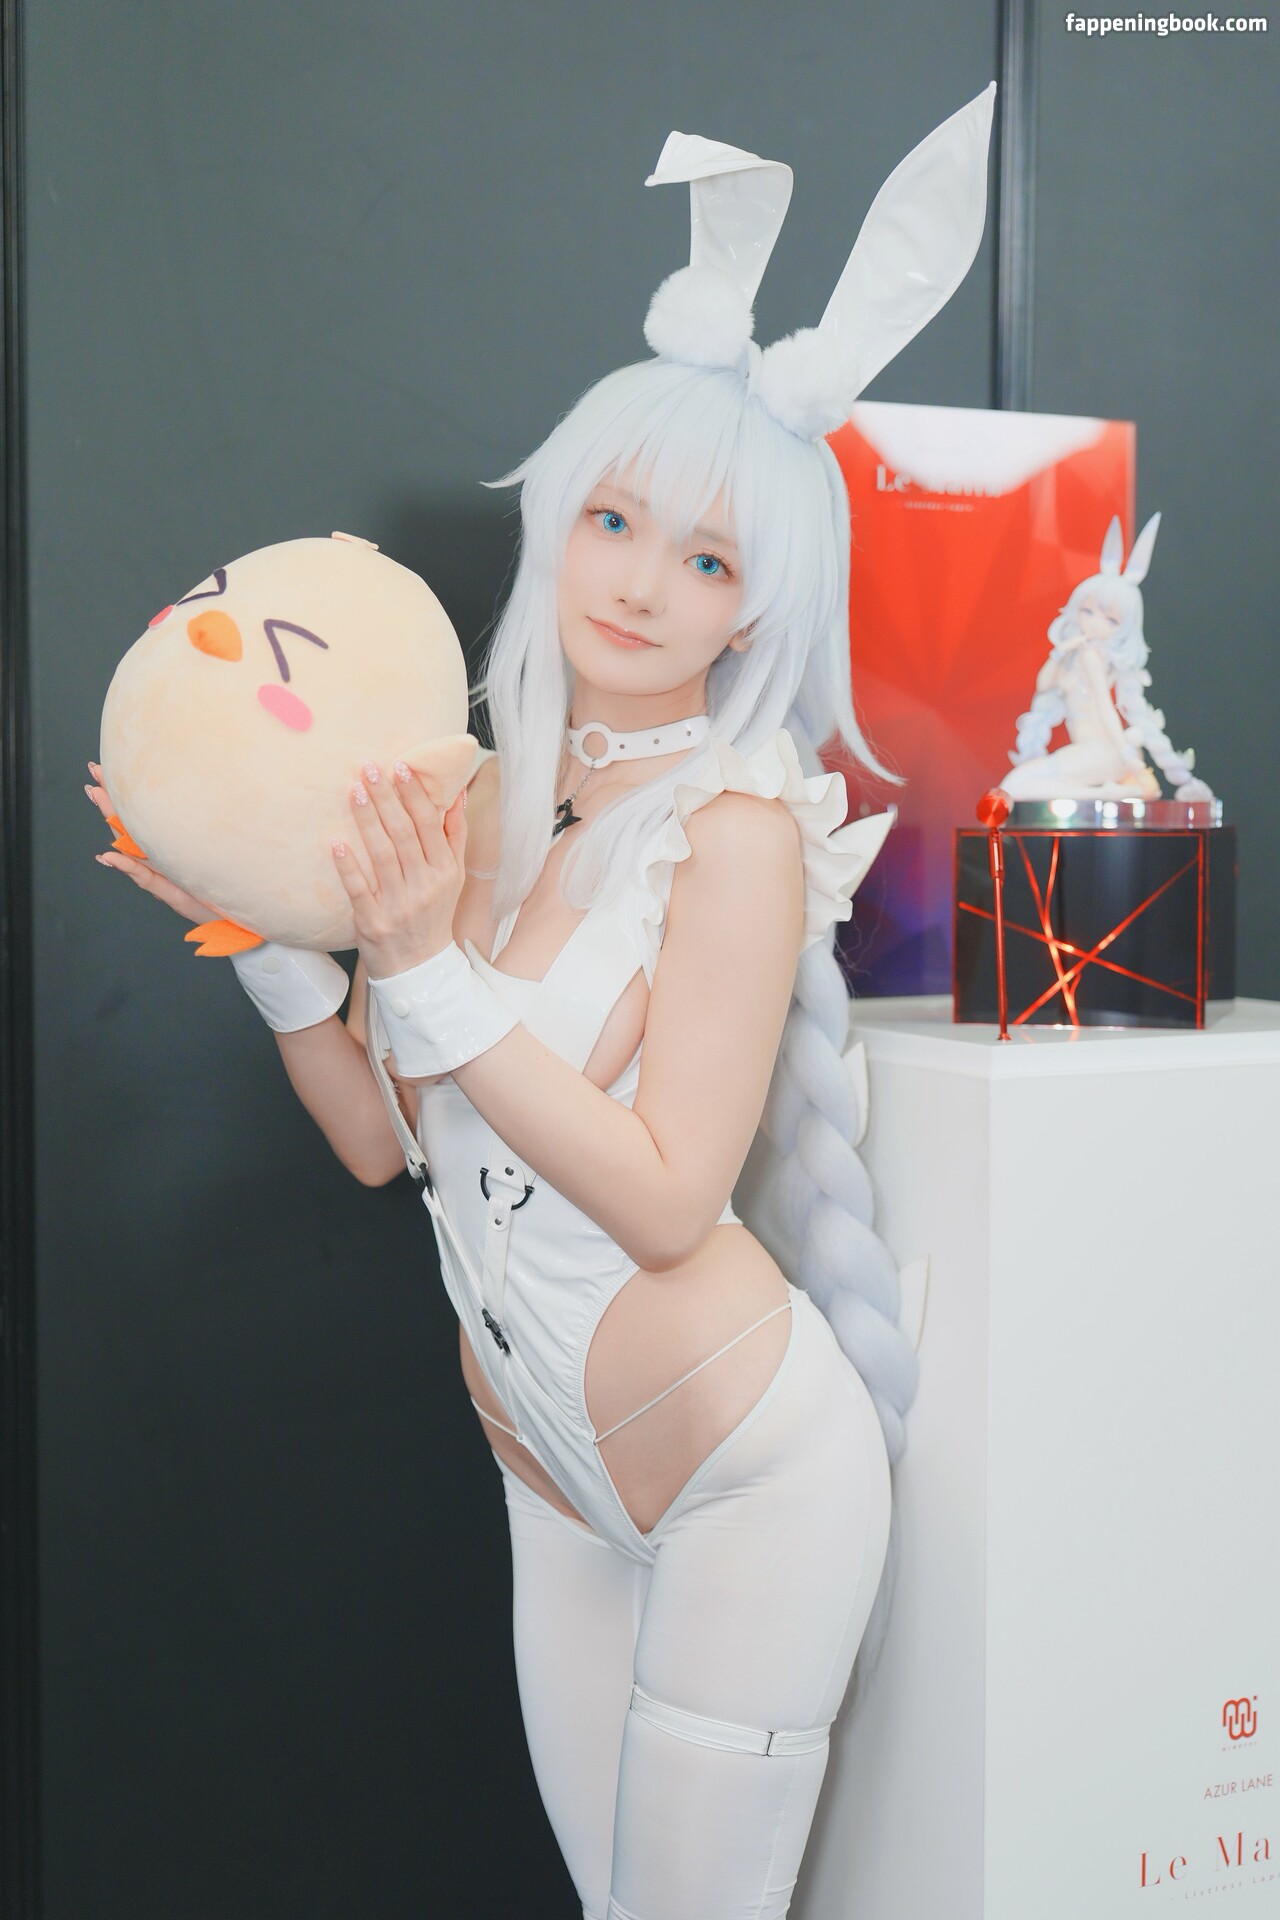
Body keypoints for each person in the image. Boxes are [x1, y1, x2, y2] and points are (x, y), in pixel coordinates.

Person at [89, 90, 995, 1920]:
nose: (643, 585)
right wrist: (272, 943)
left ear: (758, 611)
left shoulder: (736, 832)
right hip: (549, 1478)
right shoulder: (476, 801)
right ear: (562, 513)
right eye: (615, 519)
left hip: (748, 1476)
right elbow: (379, 1146)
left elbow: (666, 1196)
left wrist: (422, 968)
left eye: (709, 560)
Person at [1002, 511, 1214, 802]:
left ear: (1123, 627)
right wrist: (1062, 650)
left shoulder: (1091, 655)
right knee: (1014, 787)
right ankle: (1111, 792)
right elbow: (1044, 684)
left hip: (1102, 752)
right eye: (1088, 611)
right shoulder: (1078, 653)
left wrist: (1127, 757)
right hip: (1095, 752)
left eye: (1110, 619)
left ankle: (1109, 793)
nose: (1095, 623)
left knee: (1013, 787)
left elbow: (1105, 708)